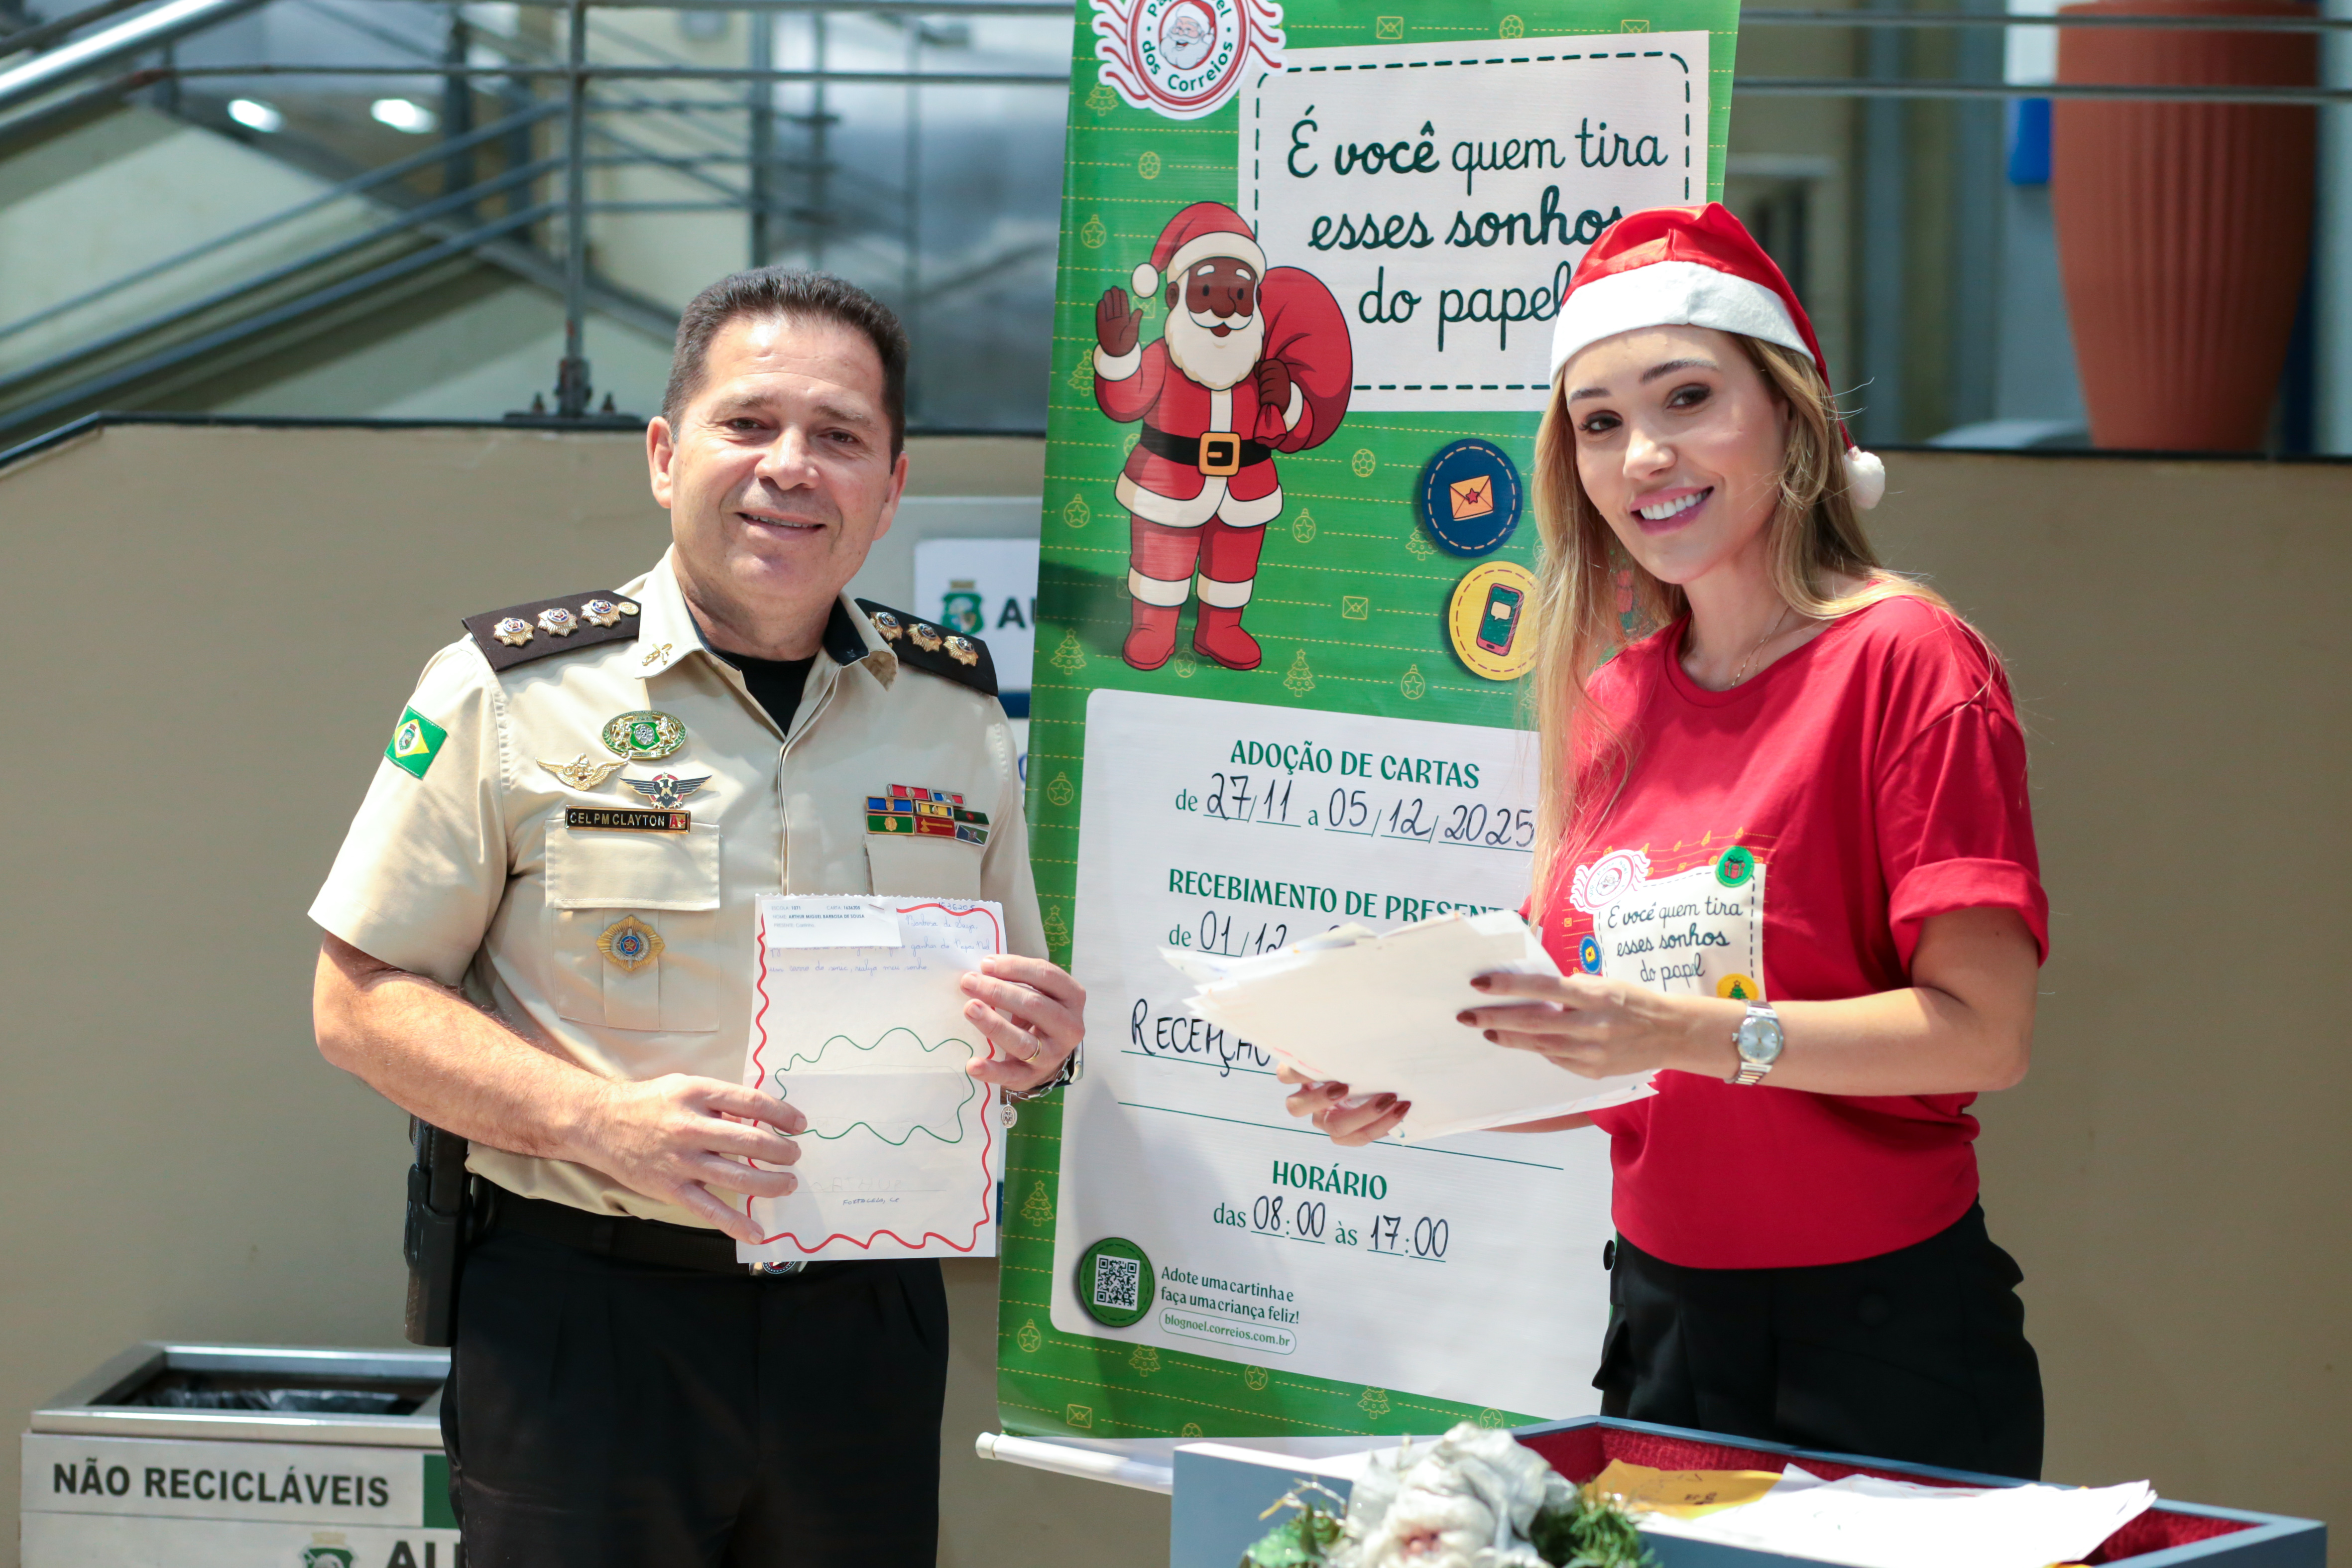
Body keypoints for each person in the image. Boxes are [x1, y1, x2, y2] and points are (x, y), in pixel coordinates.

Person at [309, 268, 1085, 1565]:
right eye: (749, 423)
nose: (791, 466)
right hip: (589, 1314)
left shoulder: (951, 713)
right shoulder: (507, 693)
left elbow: (1015, 1012)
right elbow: (358, 1002)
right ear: (666, 454)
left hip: (866, 1317)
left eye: (839, 435)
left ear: (891, 485)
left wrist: (1041, 1047)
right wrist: (596, 1122)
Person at [1282, 205, 2048, 1479]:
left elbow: (1984, 1035)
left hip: (1884, 1339)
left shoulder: (1908, 660)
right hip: (1662, 1330)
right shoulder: (1610, 701)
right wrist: (1411, 1088)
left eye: (1687, 398)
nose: (1643, 455)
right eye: (1598, 423)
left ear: (1791, 417)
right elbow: (1615, 1067)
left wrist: (1686, 1033)